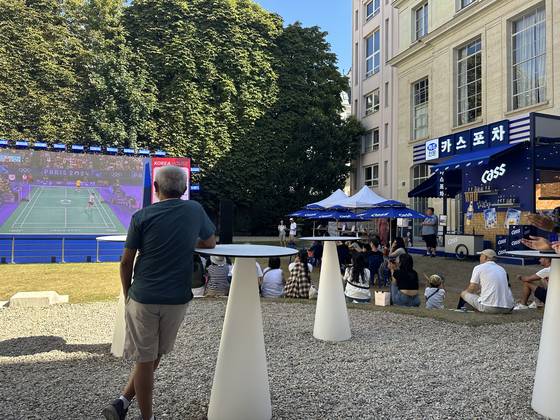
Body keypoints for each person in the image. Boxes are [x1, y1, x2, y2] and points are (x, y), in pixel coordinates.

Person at [102, 166, 216, 420]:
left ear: (155, 189)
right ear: (185, 189)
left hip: (143, 296)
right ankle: (123, 402)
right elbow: (210, 242)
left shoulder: (141, 216)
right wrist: (186, 242)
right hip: (176, 298)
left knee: (145, 358)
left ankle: (143, 415)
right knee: (153, 356)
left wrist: (127, 292)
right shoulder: (195, 210)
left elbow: (125, 261)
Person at [459, 249, 514, 314]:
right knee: (480, 295)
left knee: (464, 293)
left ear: (485, 257)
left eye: (481, 256)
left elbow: (472, 288)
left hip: (490, 308)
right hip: (508, 308)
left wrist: (466, 293)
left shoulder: (479, 267)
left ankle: (460, 312)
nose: (479, 258)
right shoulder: (502, 269)